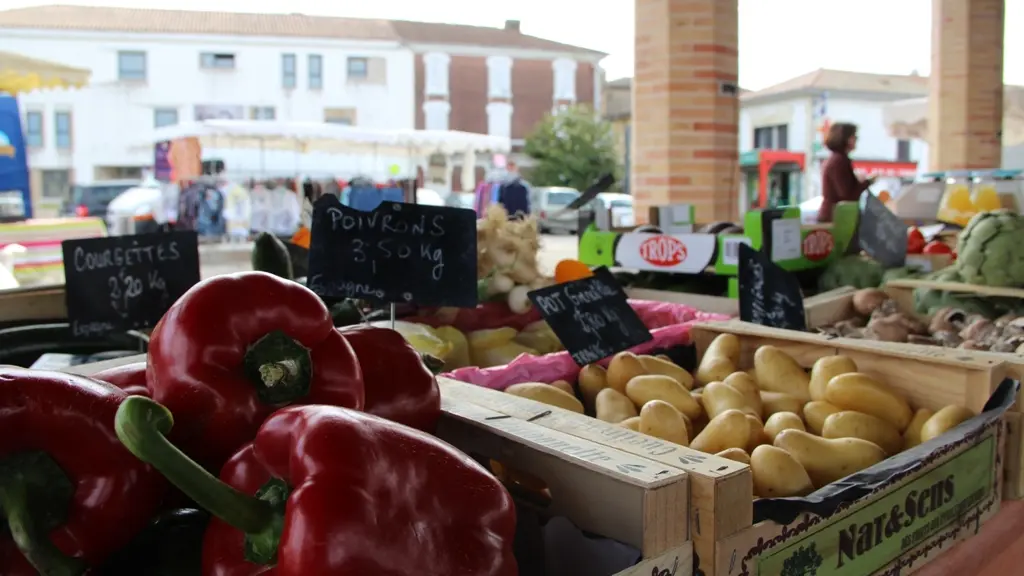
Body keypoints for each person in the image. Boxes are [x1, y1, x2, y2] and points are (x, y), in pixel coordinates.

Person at [818, 122, 875, 223]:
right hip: (836, 218)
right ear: (846, 138)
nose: (856, 140)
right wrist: (867, 182)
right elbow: (847, 194)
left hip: (832, 215)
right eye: (854, 136)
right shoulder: (840, 161)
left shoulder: (835, 159)